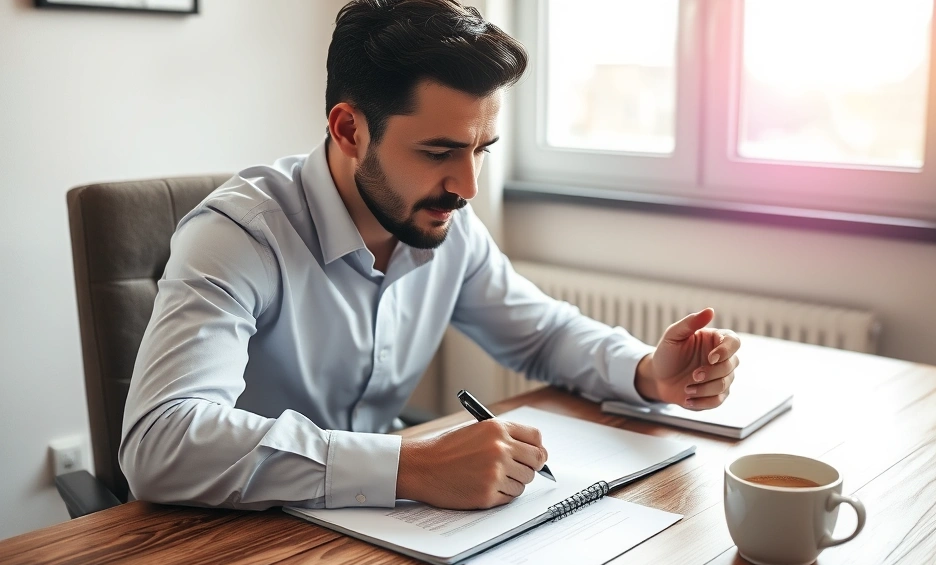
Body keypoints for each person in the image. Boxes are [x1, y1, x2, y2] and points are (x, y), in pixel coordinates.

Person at [119, 0, 740, 512]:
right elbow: (160, 442)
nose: (467, 186)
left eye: (481, 150)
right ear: (348, 129)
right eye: (439, 150)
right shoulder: (239, 235)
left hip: (380, 527)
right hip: (240, 533)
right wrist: (408, 465)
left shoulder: (442, 220)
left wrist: (645, 372)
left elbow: (541, 333)